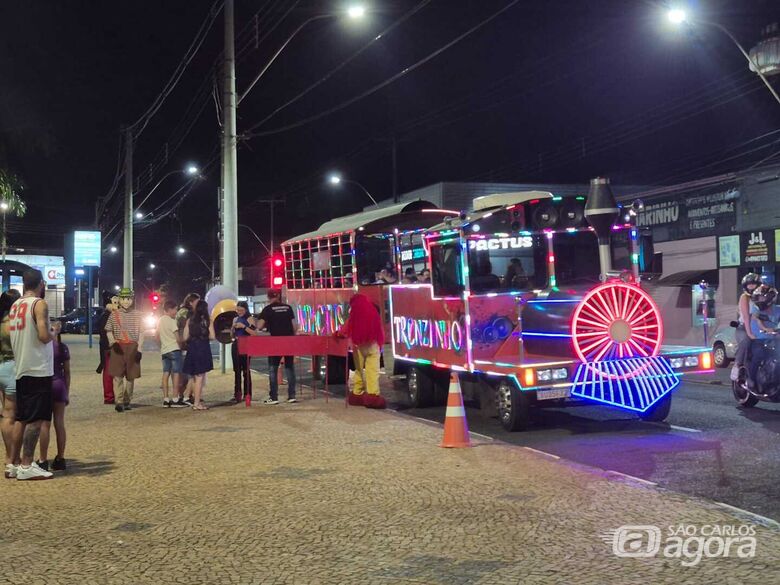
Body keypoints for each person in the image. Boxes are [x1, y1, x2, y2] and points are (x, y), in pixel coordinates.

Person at [9, 269, 54, 480]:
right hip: (38, 368)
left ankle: (13, 463)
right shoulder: (39, 304)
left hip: (21, 368)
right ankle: (27, 464)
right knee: (36, 420)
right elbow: (44, 335)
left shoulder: (15, 305)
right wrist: (55, 332)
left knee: (22, 418)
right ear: (41, 284)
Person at [337, 293, 386, 409]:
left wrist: (338, 334)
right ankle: (372, 394)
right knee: (372, 371)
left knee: (359, 370)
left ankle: (357, 392)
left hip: (358, 345)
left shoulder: (355, 312)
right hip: (373, 344)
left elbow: (348, 327)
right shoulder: (372, 311)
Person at [105, 287, 145, 413]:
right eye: (123, 299)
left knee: (130, 376)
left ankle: (127, 400)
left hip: (132, 346)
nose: (126, 302)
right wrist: (113, 342)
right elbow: (108, 330)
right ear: (119, 300)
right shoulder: (114, 314)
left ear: (132, 300)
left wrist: (139, 349)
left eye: (128, 299)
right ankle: (119, 401)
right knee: (117, 376)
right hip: (118, 346)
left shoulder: (139, 315)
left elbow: (142, 332)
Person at [256, 289, 297, 405]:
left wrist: (255, 322)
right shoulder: (288, 308)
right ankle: (292, 396)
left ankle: (274, 397)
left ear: (268, 298)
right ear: (278, 296)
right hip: (288, 341)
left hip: (275, 342)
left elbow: (259, 326)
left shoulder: (267, 309)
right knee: (290, 368)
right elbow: (294, 326)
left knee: (273, 369)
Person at [37, 320, 69, 471]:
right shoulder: (62, 348)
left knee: (44, 424)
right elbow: (67, 372)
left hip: (46, 384)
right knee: (59, 423)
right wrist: (67, 391)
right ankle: (61, 458)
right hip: (60, 385)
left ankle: (43, 460)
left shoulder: (42, 346)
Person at [1, 289, 21, 478]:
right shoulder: (15, 324)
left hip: (0, 368)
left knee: (5, 414)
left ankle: (8, 456)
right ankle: (12, 458)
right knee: (14, 416)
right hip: (13, 369)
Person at [182, 299, 214, 410]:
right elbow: (212, 336)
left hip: (192, 348)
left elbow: (185, 337)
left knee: (195, 377)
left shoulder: (190, 320)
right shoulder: (208, 320)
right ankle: (197, 403)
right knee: (200, 377)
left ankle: (196, 401)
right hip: (203, 348)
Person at [747, 285, 780, 388]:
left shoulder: (778, 310)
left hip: (774, 340)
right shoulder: (755, 309)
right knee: (759, 355)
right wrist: (766, 329)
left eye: (762, 297)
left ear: (770, 297)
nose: (760, 299)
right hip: (759, 339)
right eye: (759, 297)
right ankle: (751, 379)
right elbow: (758, 320)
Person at [731, 273, 762, 382]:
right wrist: (749, 333)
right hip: (744, 327)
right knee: (746, 342)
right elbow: (746, 317)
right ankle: (737, 365)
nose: (752, 286)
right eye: (749, 284)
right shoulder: (745, 298)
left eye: (754, 284)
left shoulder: (762, 297)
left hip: (759, 328)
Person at [159, 300, 187, 407]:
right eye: (175, 309)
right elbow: (177, 338)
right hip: (174, 349)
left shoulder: (160, 320)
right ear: (170, 309)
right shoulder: (172, 321)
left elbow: (157, 335)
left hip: (164, 350)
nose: (176, 311)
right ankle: (175, 399)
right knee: (176, 374)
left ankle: (166, 399)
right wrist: (181, 344)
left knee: (166, 373)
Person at [176, 293, 200, 405]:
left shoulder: (181, 311)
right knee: (188, 374)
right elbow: (188, 330)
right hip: (185, 345)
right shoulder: (187, 314)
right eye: (197, 302)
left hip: (181, 345)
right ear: (191, 302)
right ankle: (185, 396)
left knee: (184, 373)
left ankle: (184, 395)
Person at [231, 301, 257, 403]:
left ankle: (248, 394)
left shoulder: (249, 319)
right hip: (236, 344)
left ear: (246, 310)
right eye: (237, 310)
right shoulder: (235, 319)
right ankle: (237, 394)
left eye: (241, 310)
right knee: (237, 371)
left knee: (246, 371)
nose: (239, 312)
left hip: (246, 345)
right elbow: (231, 335)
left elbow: (254, 333)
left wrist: (243, 326)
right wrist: (232, 328)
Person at [96, 294, 116, 404]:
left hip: (106, 347)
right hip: (109, 347)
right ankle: (110, 396)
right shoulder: (108, 316)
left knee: (109, 372)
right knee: (109, 372)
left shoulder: (105, 316)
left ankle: (110, 395)